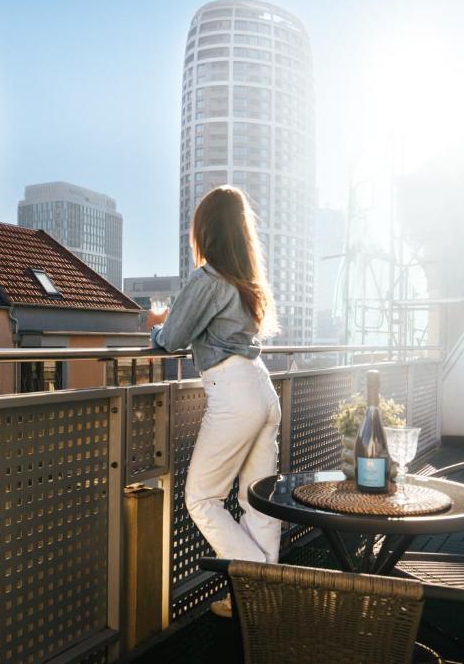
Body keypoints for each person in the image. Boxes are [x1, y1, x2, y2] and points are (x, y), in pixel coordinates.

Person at [149, 185, 281, 618]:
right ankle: (260, 600)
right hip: (262, 389)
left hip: (234, 393)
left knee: (201, 499)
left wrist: (155, 325)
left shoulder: (209, 278)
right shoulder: (246, 281)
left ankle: (257, 577)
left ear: (205, 230)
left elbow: (171, 339)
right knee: (257, 499)